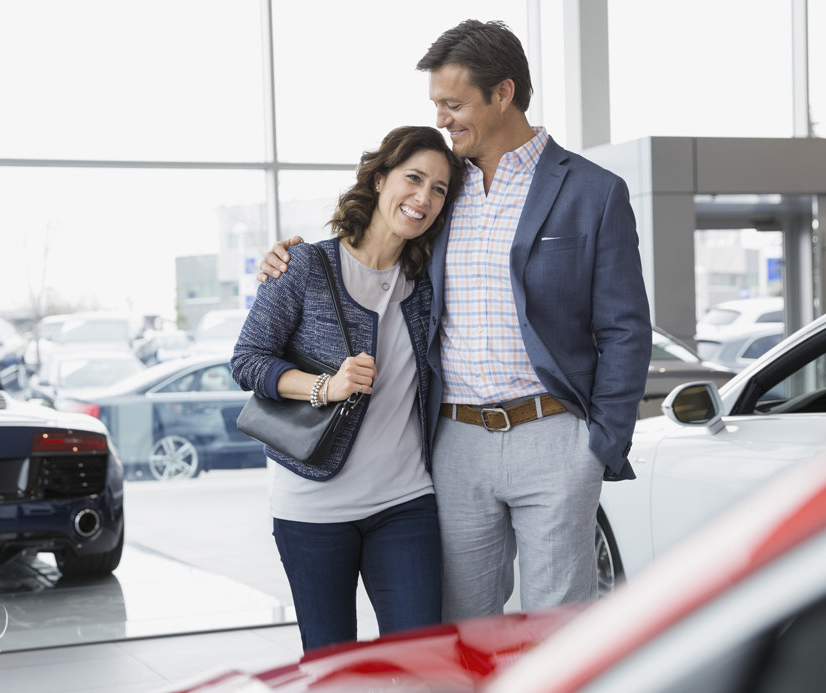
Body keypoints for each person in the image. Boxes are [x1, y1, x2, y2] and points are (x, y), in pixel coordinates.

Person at [258, 19, 652, 622]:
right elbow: (373, 247)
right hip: (453, 442)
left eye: (454, 103)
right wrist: (290, 256)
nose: (443, 118)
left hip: (555, 437)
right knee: (462, 631)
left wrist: (598, 445)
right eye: (437, 105)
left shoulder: (593, 192)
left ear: (503, 93)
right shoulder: (441, 191)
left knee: (556, 631)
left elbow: (626, 328)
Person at [231, 125, 463, 652]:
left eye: (440, 189)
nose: (424, 197)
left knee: (422, 665)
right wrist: (324, 387)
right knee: (331, 667)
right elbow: (246, 361)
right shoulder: (304, 266)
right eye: (414, 178)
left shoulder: (427, 282)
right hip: (313, 510)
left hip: (405, 503)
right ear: (380, 180)